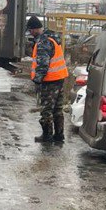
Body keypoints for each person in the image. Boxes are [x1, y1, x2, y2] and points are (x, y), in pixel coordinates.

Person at [28, 14, 68, 144]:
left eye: (30, 30)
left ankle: (47, 136)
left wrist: (37, 80)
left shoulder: (43, 42)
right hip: (60, 78)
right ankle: (59, 135)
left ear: (34, 29)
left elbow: (43, 64)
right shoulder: (52, 38)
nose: (30, 33)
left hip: (49, 81)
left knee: (46, 109)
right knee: (57, 108)